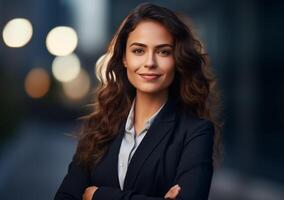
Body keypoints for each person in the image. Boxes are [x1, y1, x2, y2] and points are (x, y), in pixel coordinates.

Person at [55, 2, 222, 200]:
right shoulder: (98, 128)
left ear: (176, 60)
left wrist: (98, 195)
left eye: (163, 52)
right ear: (124, 58)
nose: (150, 62)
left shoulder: (196, 133)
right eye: (138, 51)